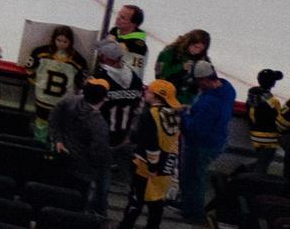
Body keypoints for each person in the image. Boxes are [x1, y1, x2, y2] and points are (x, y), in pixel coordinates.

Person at [119, 80, 184, 229]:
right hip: (166, 165)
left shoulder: (149, 115)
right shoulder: (174, 115)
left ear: (156, 96)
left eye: (148, 91)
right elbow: (174, 142)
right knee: (157, 203)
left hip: (146, 167)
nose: (145, 93)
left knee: (136, 201)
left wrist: (152, 167)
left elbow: (151, 143)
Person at [178, 61, 235, 222]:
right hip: (217, 141)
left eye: (197, 81)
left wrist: (184, 115)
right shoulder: (227, 89)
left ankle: (194, 215)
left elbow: (195, 130)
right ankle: (190, 209)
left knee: (192, 179)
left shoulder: (209, 102)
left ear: (203, 80)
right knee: (195, 177)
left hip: (201, 145)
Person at [48, 76, 115, 210]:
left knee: (55, 200)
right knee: (75, 207)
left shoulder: (68, 101)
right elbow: (98, 153)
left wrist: (58, 140)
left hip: (61, 160)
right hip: (83, 172)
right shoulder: (99, 125)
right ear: (104, 98)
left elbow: (54, 120)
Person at [28, 26, 87, 143]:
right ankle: (40, 144)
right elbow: (30, 69)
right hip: (43, 99)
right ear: (53, 39)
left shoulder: (78, 60)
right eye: (59, 40)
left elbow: (81, 82)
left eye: (65, 41)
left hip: (62, 101)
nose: (61, 44)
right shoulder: (40, 53)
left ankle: (53, 147)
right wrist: (37, 84)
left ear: (70, 42)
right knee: (41, 122)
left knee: (58, 125)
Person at [248, 68, 284, 176]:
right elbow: (279, 120)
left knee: (260, 161)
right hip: (268, 138)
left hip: (255, 135)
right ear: (272, 84)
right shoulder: (273, 102)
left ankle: (238, 174)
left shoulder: (252, 96)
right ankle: (252, 188)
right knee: (262, 166)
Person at [110, 4, 150, 78]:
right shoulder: (115, 31)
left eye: (122, 18)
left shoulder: (138, 44)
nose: (117, 18)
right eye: (119, 14)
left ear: (133, 24)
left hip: (122, 84)